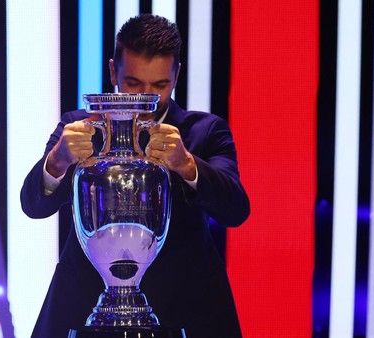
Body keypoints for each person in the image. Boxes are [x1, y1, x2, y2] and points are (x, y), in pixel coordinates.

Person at [20, 14, 250, 338]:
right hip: (86, 307)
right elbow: (33, 205)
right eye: (133, 83)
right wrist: (57, 160)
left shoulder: (205, 131)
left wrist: (187, 165)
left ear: (177, 75)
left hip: (186, 307)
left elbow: (236, 209)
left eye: (159, 85)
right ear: (113, 71)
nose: (145, 98)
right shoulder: (78, 128)